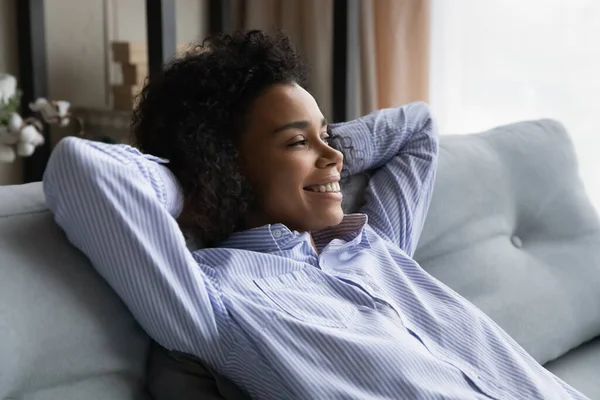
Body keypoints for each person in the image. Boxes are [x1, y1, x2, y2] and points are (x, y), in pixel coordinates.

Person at [44, 30, 588, 399]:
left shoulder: (372, 244)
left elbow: (416, 128)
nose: (335, 157)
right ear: (226, 165)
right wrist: (200, 176)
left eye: (325, 134)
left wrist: (319, 147)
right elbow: (80, 168)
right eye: (297, 142)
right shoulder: (216, 304)